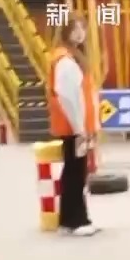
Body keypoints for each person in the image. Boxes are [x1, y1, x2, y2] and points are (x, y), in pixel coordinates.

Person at [46, 13, 100, 236]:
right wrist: (80, 129)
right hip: (75, 128)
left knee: (74, 171)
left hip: (75, 127)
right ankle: (76, 220)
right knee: (76, 173)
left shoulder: (69, 57)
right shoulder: (66, 60)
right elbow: (68, 96)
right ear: (65, 31)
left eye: (82, 29)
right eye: (75, 29)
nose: (80, 33)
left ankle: (70, 219)